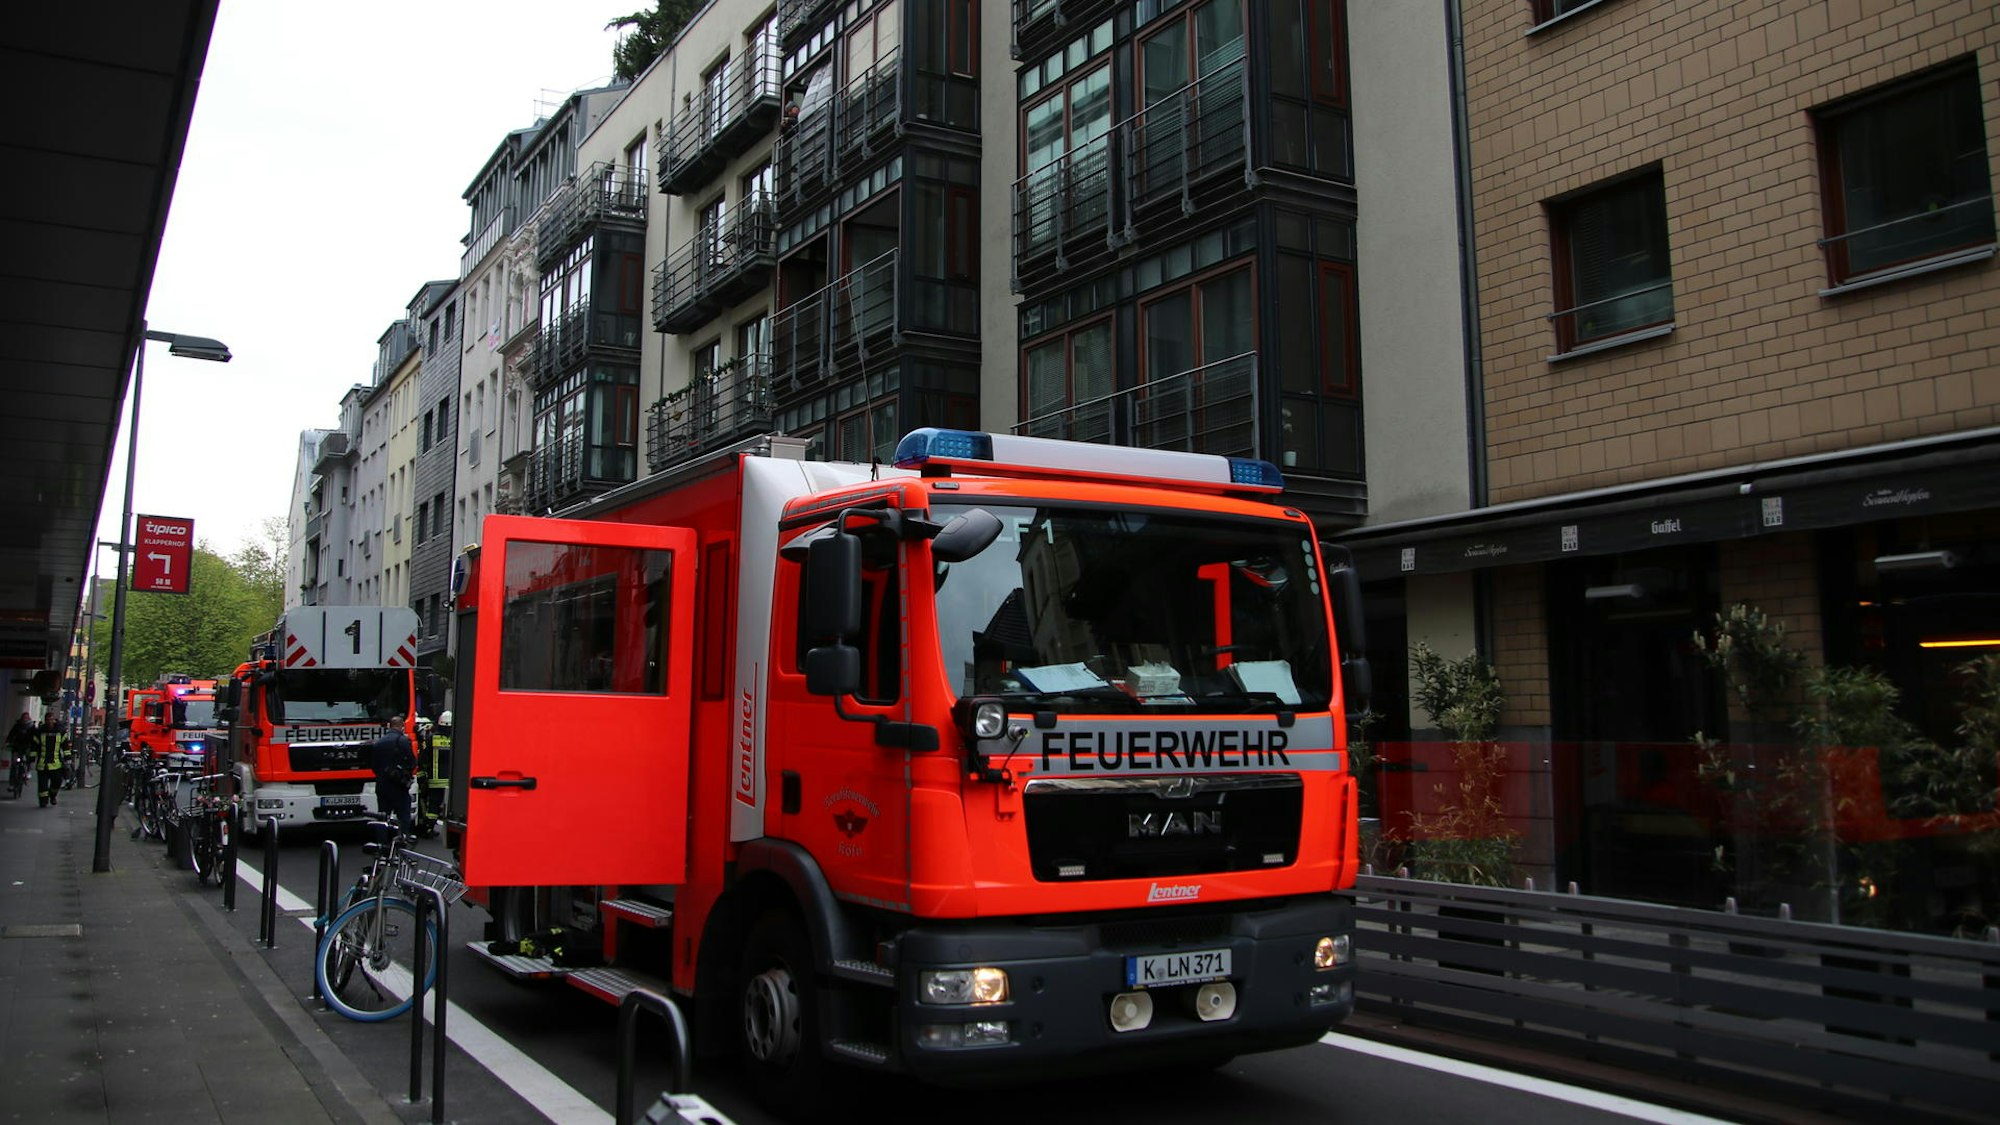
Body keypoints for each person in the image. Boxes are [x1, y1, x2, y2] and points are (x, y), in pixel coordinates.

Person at [366, 713, 417, 836]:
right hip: (398, 786)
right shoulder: (403, 740)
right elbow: (412, 762)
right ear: (402, 726)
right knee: (404, 815)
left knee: (383, 816)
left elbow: (374, 766)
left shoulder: (378, 742)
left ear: (390, 726)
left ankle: (382, 844)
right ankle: (402, 839)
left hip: (382, 785)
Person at [34, 720, 67, 807]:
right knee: (42, 786)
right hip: (42, 764)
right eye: (48, 719)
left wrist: (68, 757)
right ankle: (43, 801)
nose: (50, 722)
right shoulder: (40, 732)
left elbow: (66, 745)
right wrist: (31, 758)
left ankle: (52, 796)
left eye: (51, 720)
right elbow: (34, 745)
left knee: (57, 782)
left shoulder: (60, 732)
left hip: (56, 764)